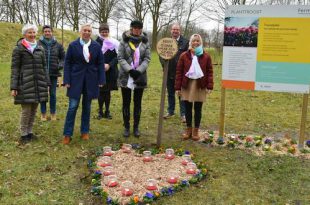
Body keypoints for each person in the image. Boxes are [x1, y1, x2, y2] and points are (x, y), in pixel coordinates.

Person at [62, 23, 105, 144]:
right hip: (75, 80)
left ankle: (84, 131)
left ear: (91, 33)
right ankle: (67, 134)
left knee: (87, 107)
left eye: (89, 31)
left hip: (91, 80)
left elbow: (100, 63)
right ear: (80, 31)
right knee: (72, 107)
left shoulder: (96, 46)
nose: (87, 32)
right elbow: (67, 63)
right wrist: (67, 80)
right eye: (85, 30)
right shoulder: (73, 45)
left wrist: (101, 79)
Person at [10, 24, 50, 144]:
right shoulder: (18, 49)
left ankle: (30, 132)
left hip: (39, 83)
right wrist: (14, 87)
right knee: (26, 111)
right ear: (24, 34)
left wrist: (47, 83)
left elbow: (44, 67)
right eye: (29, 33)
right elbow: (15, 68)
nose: (32, 35)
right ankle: (23, 134)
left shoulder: (40, 48)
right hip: (25, 84)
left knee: (33, 110)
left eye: (33, 32)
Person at [174, 34, 213, 141]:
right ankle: (188, 129)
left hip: (200, 85)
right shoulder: (184, 56)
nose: (195, 42)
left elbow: (209, 71)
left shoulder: (206, 56)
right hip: (187, 84)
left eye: (198, 41)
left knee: (198, 109)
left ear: (200, 42)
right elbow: (179, 72)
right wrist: (177, 87)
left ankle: (196, 130)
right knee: (187, 108)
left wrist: (210, 86)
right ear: (190, 42)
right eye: (194, 41)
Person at [118, 20, 151, 137]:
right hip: (126, 76)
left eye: (139, 28)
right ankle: (126, 127)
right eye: (135, 28)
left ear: (141, 29)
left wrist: (139, 71)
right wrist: (130, 70)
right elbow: (120, 58)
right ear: (131, 28)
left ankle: (136, 127)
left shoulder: (145, 42)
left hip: (140, 76)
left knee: (138, 103)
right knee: (126, 103)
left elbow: (147, 58)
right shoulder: (123, 41)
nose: (137, 30)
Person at [159, 23, 189, 123]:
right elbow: (161, 55)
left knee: (181, 93)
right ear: (171, 31)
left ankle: (183, 114)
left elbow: (188, 57)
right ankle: (170, 111)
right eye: (173, 29)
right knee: (170, 93)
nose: (175, 31)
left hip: (180, 73)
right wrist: (164, 66)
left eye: (177, 29)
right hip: (168, 72)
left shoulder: (185, 42)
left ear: (180, 31)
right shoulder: (166, 42)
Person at [38, 25, 65, 121]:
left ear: (52, 32)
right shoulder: (38, 44)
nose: (47, 33)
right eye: (45, 31)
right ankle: (43, 113)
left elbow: (63, 57)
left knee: (53, 94)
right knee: (43, 94)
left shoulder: (58, 45)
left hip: (53, 73)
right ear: (43, 33)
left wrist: (60, 65)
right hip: (41, 73)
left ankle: (53, 113)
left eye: (49, 31)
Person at [96, 23, 119, 120]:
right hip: (100, 71)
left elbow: (118, 56)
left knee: (108, 92)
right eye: (102, 32)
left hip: (111, 70)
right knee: (101, 92)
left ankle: (107, 110)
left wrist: (109, 64)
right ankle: (100, 111)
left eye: (106, 32)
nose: (104, 33)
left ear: (108, 32)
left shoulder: (114, 42)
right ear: (99, 32)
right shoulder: (96, 43)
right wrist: (101, 65)